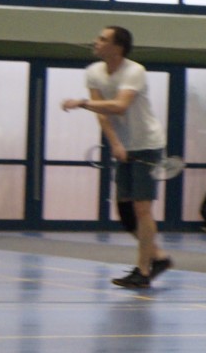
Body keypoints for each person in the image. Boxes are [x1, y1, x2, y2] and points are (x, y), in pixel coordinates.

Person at [61, 25, 173, 288]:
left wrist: (82, 103)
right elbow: (103, 113)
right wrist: (115, 143)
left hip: (147, 144)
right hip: (124, 146)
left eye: (103, 39)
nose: (96, 41)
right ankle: (158, 257)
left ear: (117, 47)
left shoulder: (135, 71)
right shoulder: (94, 72)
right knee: (125, 211)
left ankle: (143, 271)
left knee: (142, 209)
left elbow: (120, 106)